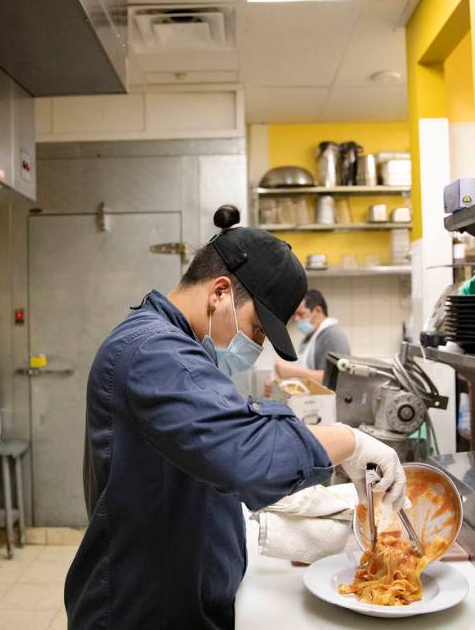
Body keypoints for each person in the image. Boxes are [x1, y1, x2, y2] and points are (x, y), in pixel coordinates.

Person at [65, 205, 407, 630]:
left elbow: (210, 454)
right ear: (220, 292)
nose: (254, 345)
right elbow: (249, 456)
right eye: (257, 330)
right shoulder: (153, 352)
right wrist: (348, 441)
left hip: (174, 593)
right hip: (141, 609)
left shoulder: (172, 347)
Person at [274, 289, 350, 384]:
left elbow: (336, 378)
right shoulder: (310, 338)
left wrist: (292, 372)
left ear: (318, 310)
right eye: (295, 315)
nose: (296, 319)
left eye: (301, 314)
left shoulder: (332, 336)